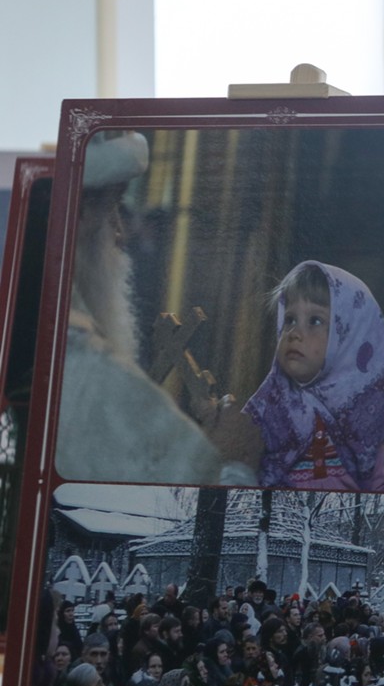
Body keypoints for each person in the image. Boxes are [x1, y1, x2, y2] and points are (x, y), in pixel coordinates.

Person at [56, 131, 262, 485]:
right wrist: (230, 456)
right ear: (82, 212)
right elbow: (196, 513)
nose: (121, 234)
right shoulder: (91, 373)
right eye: (114, 210)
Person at [243, 261, 384, 490]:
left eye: (315, 321)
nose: (294, 334)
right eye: (290, 319)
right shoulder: (269, 405)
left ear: (348, 337)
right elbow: (242, 469)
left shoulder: (364, 413)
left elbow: (375, 486)